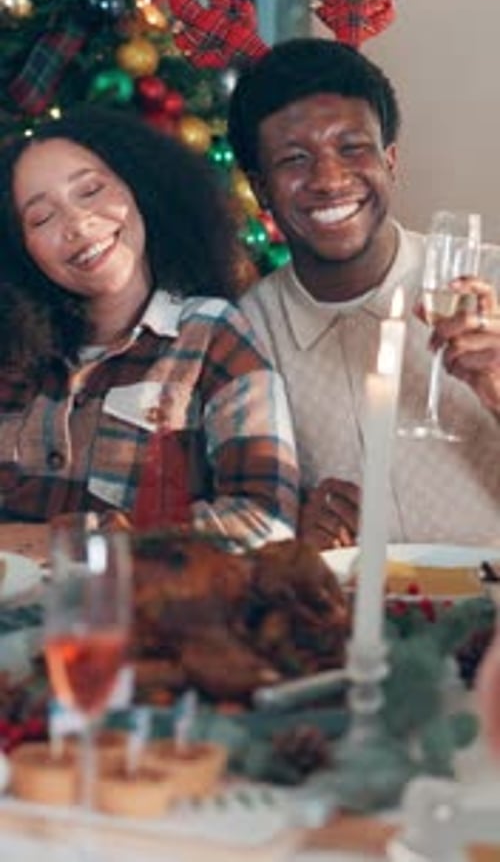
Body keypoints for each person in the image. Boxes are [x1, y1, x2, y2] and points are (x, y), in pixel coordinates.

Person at [227, 37, 500, 548]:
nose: (329, 179)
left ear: (389, 159)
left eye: (352, 148)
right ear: (260, 188)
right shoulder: (247, 334)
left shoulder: (489, 284)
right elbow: (247, 520)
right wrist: (296, 536)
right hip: (363, 620)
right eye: (294, 159)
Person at [0, 105, 299, 550]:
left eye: (91, 190)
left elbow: (263, 523)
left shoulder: (209, 333)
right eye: (41, 218)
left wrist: (66, 541)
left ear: (138, 188)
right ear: (22, 250)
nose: (78, 225)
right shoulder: (12, 352)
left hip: (143, 616)